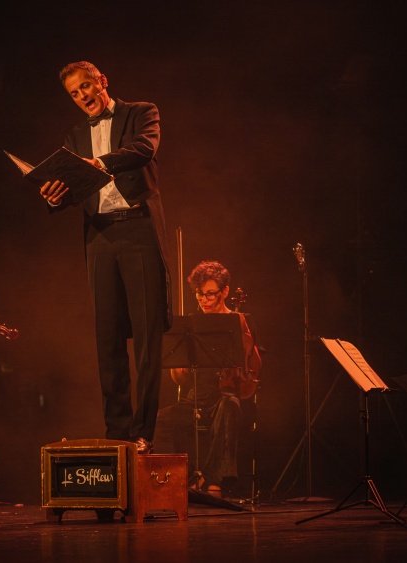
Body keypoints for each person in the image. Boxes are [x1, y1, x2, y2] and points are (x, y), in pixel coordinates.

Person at [38, 60, 170, 453]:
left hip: (138, 228)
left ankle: (143, 433)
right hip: (100, 235)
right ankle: (118, 433)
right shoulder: (75, 135)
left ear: (102, 81)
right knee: (107, 336)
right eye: (75, 94)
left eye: (86, 87)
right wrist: (54, 198)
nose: (83, 97)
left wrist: (100, 163)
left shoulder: (141, 112)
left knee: (147, 336)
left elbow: (144, 150)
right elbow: (74, 185)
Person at [153, 260, 262, 497]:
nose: (204, 300)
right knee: (161, 419)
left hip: (225, 396)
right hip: (196, 398)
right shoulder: (190, 326)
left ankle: (216, 482)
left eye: (210, 294)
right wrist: (179, 363)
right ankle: (182, 479)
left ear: (225, 291)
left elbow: (253, 365)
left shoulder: (239, 321)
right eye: (199, 294)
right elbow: (180, 381)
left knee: (229, 407)